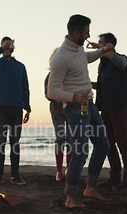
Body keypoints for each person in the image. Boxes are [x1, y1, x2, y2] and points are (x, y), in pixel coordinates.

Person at [47, 14, 114, 208]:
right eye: (86, 32)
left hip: (89, 106)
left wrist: (103, 50)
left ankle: (90, 188)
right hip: (75, 108)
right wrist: (73, 97)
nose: (88, 35)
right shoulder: (61, 57)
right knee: (80, 152)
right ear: (76, 33)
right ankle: (70, 198)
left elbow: (86, 58)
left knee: (103, 145)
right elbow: (52, 90)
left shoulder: (77, 50)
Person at [88, 33, 127, 190]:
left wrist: (101, 48)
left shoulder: (121, 59)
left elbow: (121, 63)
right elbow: (102, 85)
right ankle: (114, 177)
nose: (98, 45)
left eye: (101, 43)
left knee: (123, 142)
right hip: (106, 107)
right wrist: (88, 84)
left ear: (109, 45)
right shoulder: (103, 64)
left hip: (120, 106)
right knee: (108, 144)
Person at [0, 37, 31, 185]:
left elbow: (25, 87)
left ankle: (15, 175)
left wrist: (27, 107)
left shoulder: (21, 66)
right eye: (4, 46)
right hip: (0, 107)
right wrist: (0, 49)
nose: (6, 48)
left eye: (9, 46)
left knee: (15, 142)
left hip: (17, 108)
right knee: (0, 141)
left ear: (13, 47)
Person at [44, 48, 72, 182]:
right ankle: (59, 171)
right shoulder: (50, 76)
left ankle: (69, 168)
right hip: (57, 112)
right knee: (60, 139)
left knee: (71, 139)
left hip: (71, 110)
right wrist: (59, 95)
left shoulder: (69, 74)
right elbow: (47, 94)